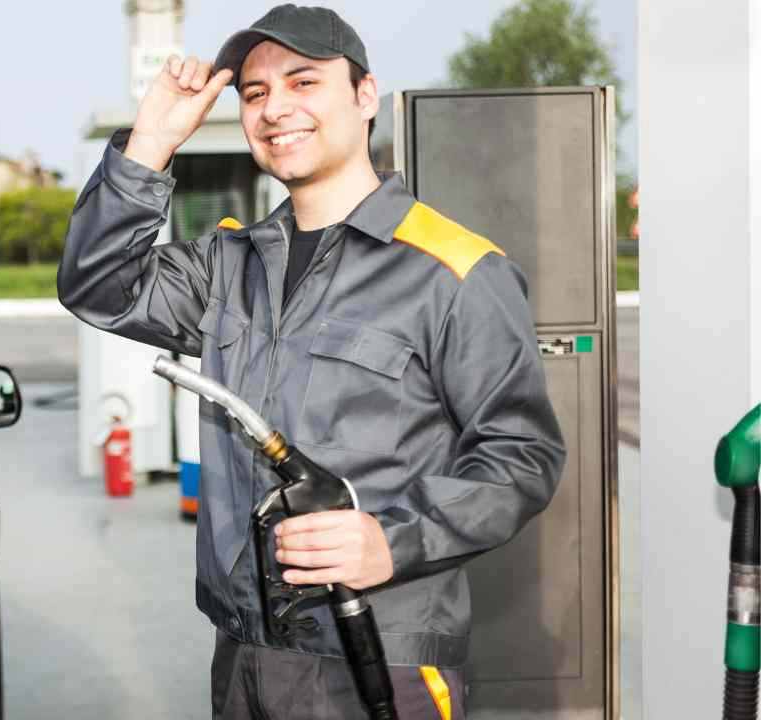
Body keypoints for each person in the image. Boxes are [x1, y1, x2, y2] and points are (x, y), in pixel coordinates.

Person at [57, 4, 566, 718]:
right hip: (245, 655)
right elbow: (96, 285)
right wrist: (149, 144)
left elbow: (521, 456)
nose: (275, 109)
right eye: (256, 93)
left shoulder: (455, 271)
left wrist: (391, 541)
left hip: (382, 655)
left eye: (304, 82)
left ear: (364, 97)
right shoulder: (228, 264)